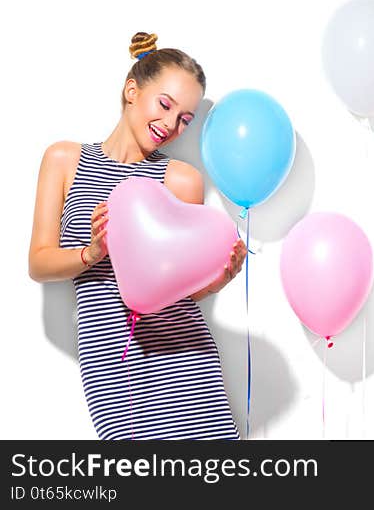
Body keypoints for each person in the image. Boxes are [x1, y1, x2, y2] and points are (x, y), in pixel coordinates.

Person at [28, 32, 247, 439]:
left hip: (187, 365)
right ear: (132, 90)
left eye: (185, 118)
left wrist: (218, 280)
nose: (170, 124)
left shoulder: (181, 180)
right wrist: (92, 251)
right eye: (165, 105)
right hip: (110, 370)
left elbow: (180, 289)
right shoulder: (64, 159)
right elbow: (38, 263)